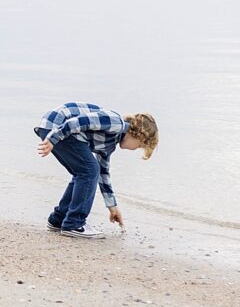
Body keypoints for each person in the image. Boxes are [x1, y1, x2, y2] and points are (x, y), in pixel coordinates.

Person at [35, 102, 158, 239]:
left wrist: (112, 207)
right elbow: (77, 122)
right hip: (57, 125)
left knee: (85, 172)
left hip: (56, 129)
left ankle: (58, 220)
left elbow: (103, 175)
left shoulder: (110, 143)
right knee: (89, 170)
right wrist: (53, 139)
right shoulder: (115, 123)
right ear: (140, 136)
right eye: (140, 146)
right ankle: (74, 224)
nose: (135, 149)